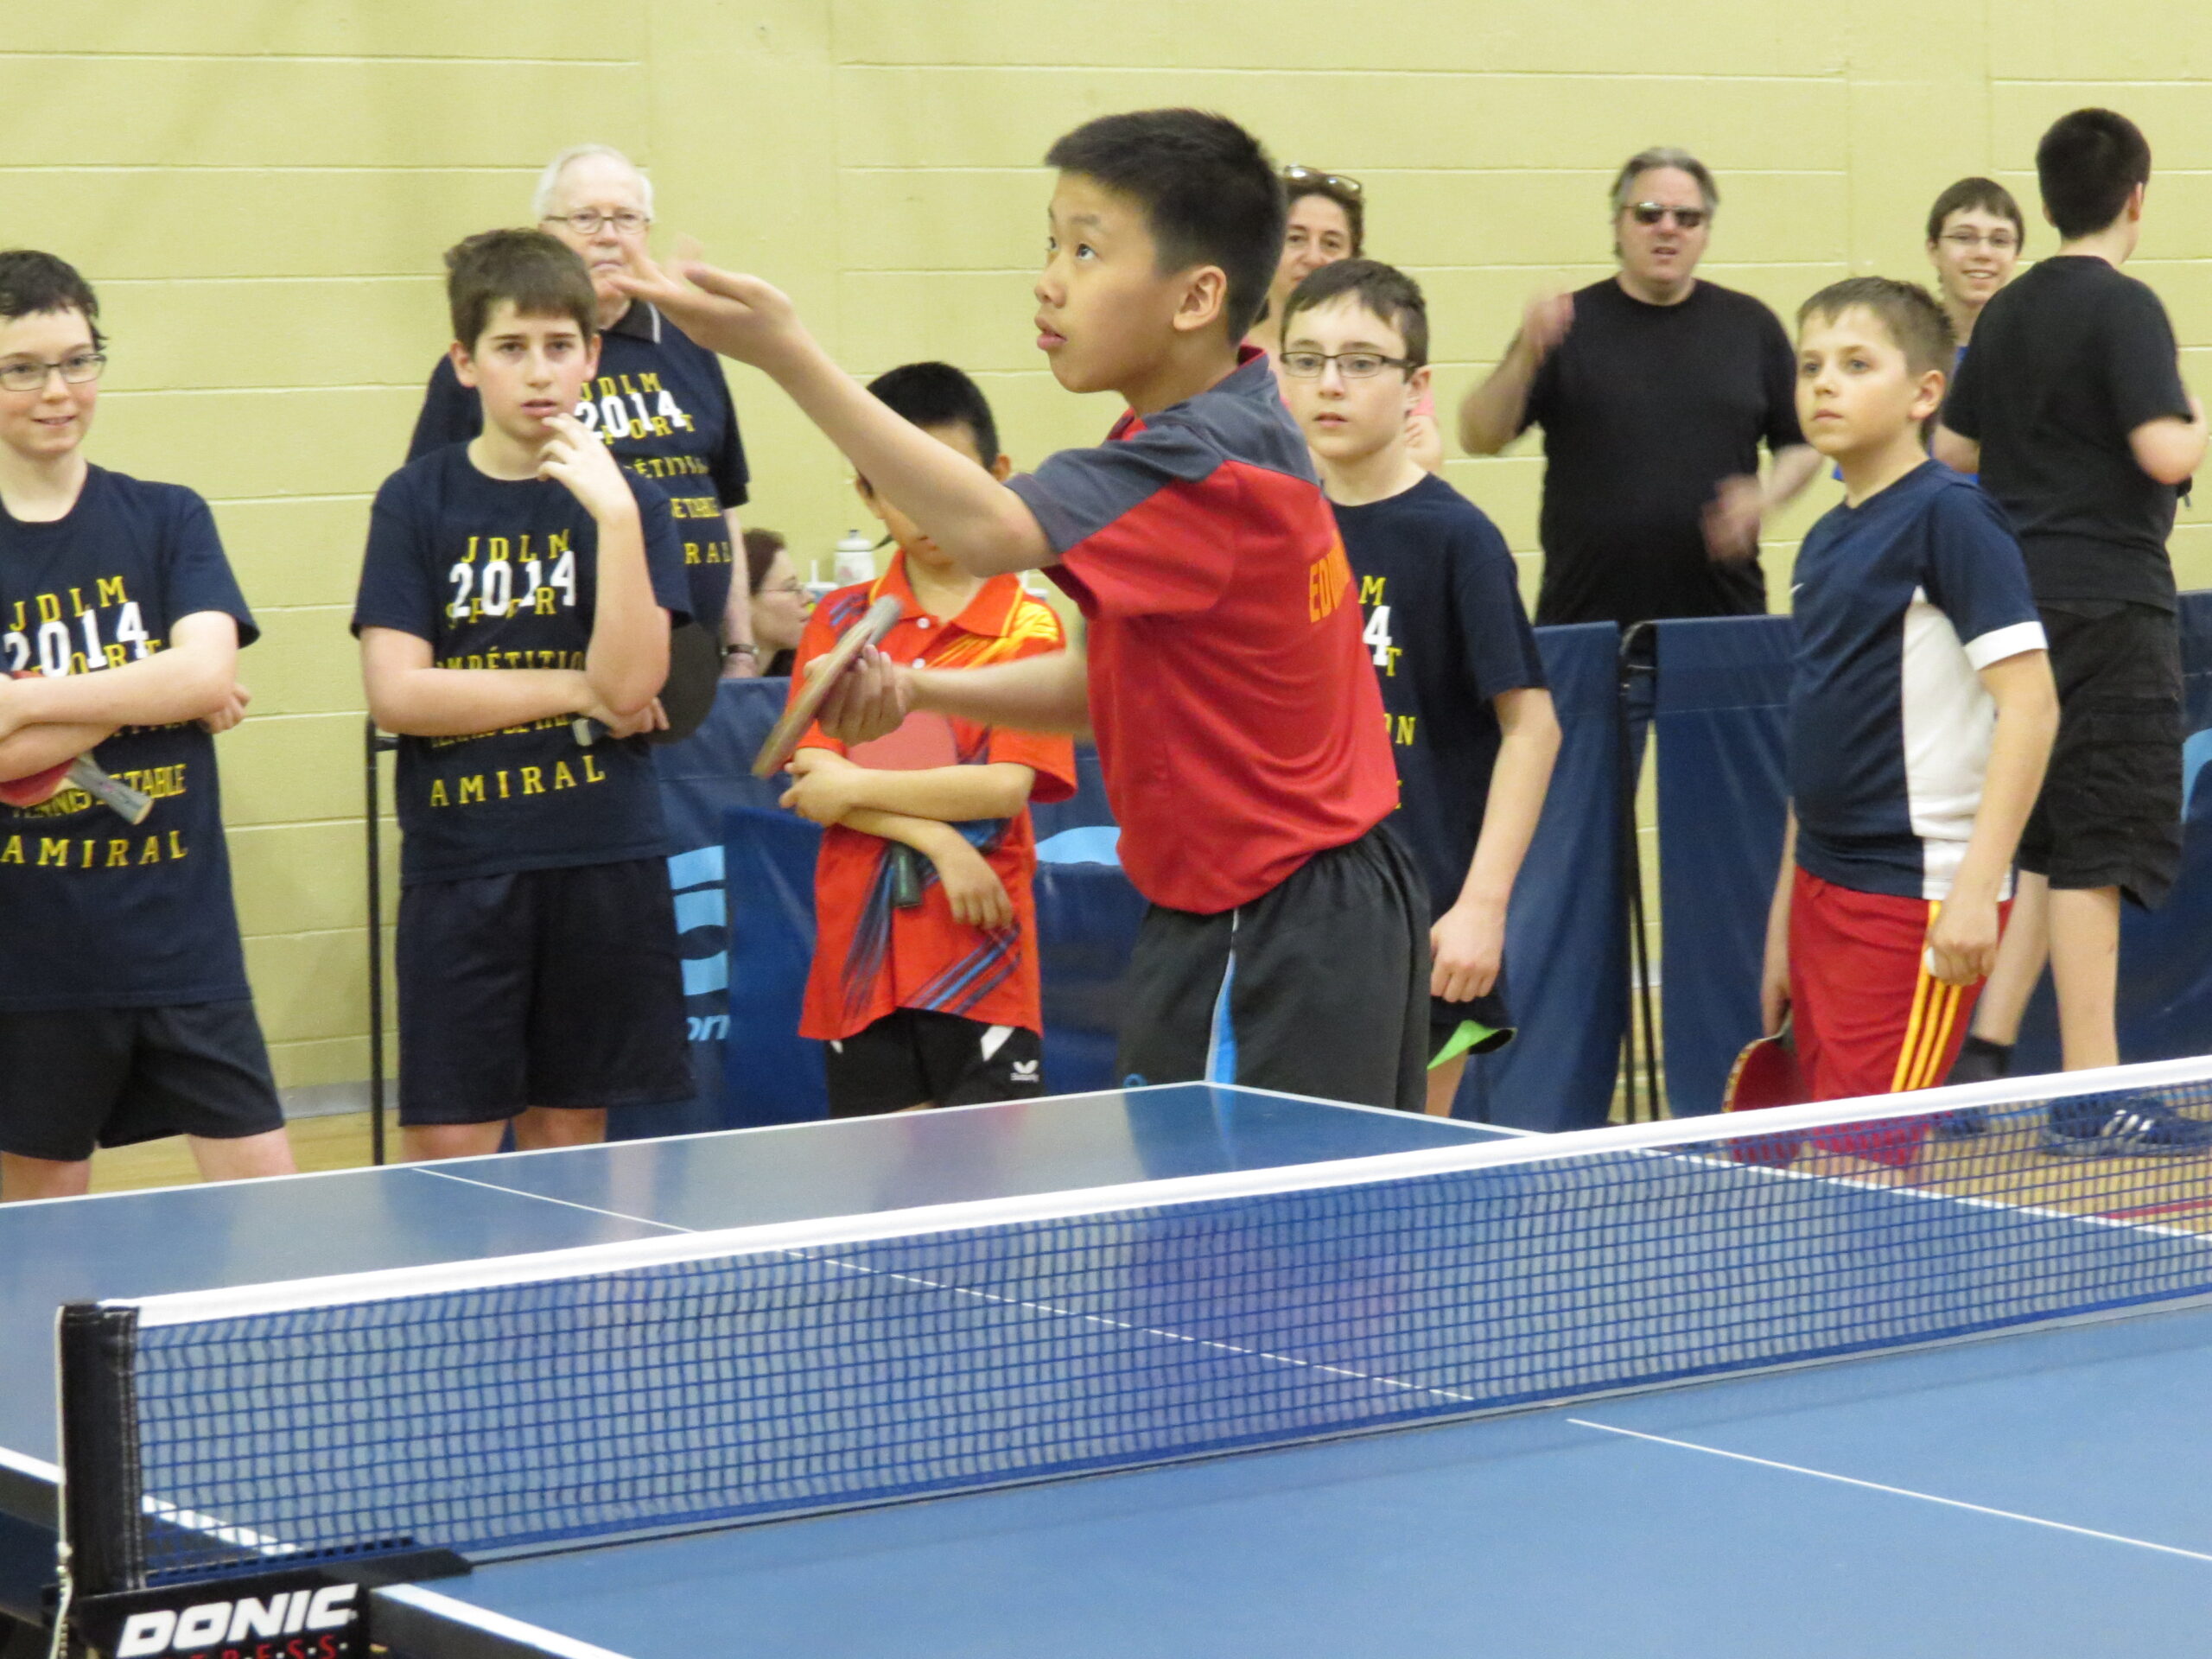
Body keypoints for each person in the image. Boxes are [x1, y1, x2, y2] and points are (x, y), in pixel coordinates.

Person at [620, 108, 1432, 1112]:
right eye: (1051, 244)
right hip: (1270, 911)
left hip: (1272, 926)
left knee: (1261, 1258)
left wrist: (788, 355)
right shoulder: (1218, 423)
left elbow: (993, 532)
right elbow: (1102, 687)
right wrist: (919, 687)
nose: (1049, 278)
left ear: (1196, 297)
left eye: (1086, 251)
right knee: (1249, 1250)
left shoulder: (1195, 464)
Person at [353, 229, 694, 1162]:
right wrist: (579, 688)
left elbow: (637, 684)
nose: (537, 373)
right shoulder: (415, 501)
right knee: (449, 1141)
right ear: (466, 363)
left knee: (574, 1133)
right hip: (463, 862)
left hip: (601, 855)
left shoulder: (636, 508)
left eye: (557, 346)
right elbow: (399, 693)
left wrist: (616, 517)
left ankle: (591, 1315)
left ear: (590, 354)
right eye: (510, 349)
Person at [0, 250, 294, 1201]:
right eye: (25, 368)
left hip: (185, 943)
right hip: (31, 955)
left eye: (79, 361)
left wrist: (26, 703)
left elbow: (208, 669)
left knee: (273, 1211)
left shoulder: (169, 519)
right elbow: (186, 680)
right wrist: (156, 694)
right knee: (40, 1252)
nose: (59, 391)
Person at [1936, 109, 2211, 1111]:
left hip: (2016, 607)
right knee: (2095, 847)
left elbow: (1951, 458)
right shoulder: (2125, 307)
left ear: (2045, 204)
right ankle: (2091, 1095)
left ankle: (2045, 1073)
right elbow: (2166, 455)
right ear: (2137, 196)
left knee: (2052, 844)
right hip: (2109, 608)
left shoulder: (2002, 316)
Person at [1758, 278, 2057, 1166]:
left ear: (1925, 393)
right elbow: (1814, 739)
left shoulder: (1949, 517)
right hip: (1821, 886)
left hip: (1913, 900)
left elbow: (2032, 706)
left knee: (1867, 1163)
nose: (1823, 384)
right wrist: (1784, 916)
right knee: (1835, 1160)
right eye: (1810, 365)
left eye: (1855, 364)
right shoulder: (1821, 541)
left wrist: (1975, 888)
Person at [1278, 259, 1560, 1117]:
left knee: (1394, 1187)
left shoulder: (1456, 540)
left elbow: (1532, 729)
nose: (1331, 383)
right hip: (1291, 919)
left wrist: (1480, 907)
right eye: (1306, 358)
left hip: (1424, 926)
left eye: (1362, 361)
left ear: (1415, 386)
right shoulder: (1273, 527)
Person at [781, 363, 1077, 1116]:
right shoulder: (843, 620)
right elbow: (816, 779)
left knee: (986, 1201)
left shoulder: (1028, 627)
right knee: (881, 1204)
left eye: (946, 477)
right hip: (862, 959)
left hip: (980, 954)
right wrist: (941, 843)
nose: (924, 508)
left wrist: (857, 790)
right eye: (897, 482)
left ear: (997, 476)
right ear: (867, 493)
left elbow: (1002, 787)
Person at [406, 144, 759, 692]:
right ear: (546, 233)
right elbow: (432, 517)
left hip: (692, 661)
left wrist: (740, 650)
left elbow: (725, 505)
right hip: (552, 660)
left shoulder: (691, 344)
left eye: (627, 219)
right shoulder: (495, 366)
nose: (609, 235)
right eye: (586, 218)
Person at [1456, 147, 1819, 632]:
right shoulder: (1566, 325)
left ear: (1705, 233)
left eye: (1687, 218)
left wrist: (1766, 497)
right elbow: (1479, 436)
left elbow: (1804, 443)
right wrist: (1526, 354)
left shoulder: (1751, 326)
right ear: (1618, 225)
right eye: (1649, 214)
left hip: (1722, 622)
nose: (1667, 228)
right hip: (1586, 623)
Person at [1249, 167, 1441, 471]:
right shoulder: (1228, 353)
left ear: (1354, 256)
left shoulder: (1385, 347)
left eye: (1331, 243)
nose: (1313, 257)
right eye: (1296, 239)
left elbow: (1426, 458)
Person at [1925, 177, 2024, 354]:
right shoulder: (1906, 346)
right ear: (1934, 250)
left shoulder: (2037, 346)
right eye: (1964, 237)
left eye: (1999, 240)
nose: (1983, 253)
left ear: (2016, 256)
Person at [742, 528, 809, 676]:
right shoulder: (701, 687)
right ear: (742, 602)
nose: (809, 597)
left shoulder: (806, 673)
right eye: (791, 588)